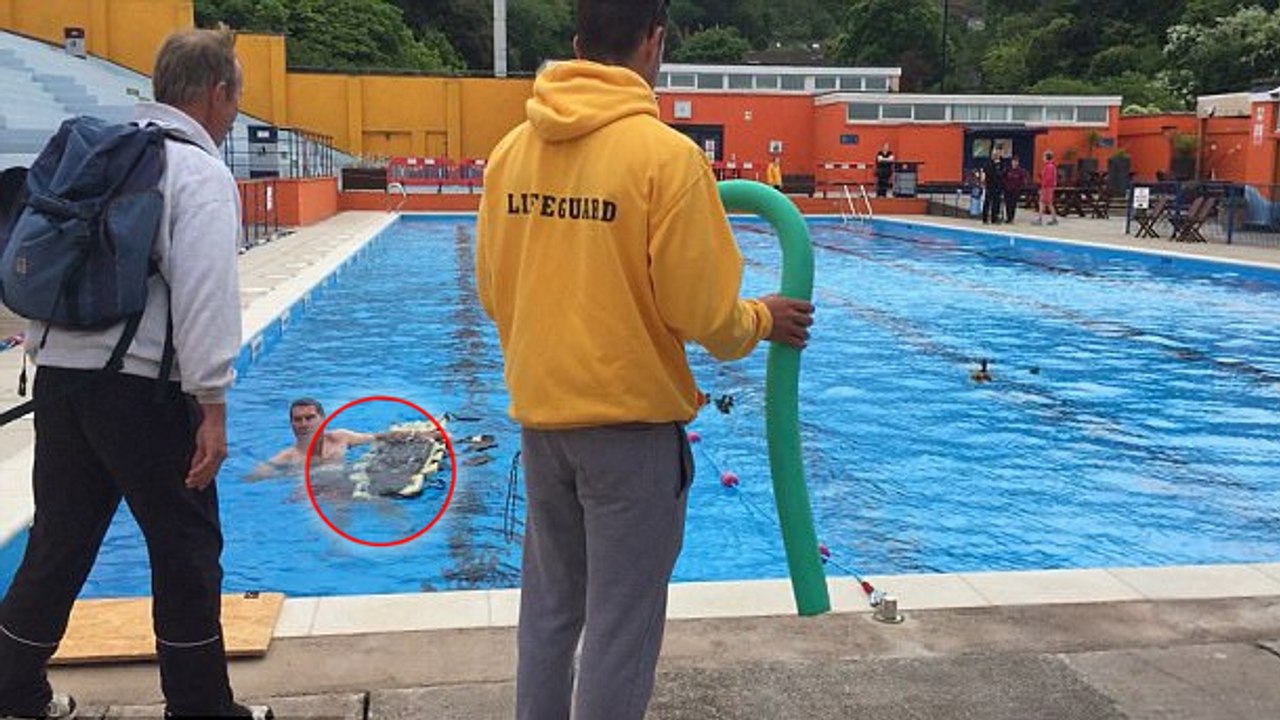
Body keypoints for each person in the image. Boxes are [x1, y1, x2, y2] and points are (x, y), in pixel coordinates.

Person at [474, 1, 815, 717]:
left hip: (543, 425)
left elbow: (494, 293)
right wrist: (761, 319)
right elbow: (708, 319)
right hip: (629, 437)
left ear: (575, 44)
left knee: (549, 615)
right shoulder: (666, 158)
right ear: (655, 40)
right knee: (620, 632)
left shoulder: (512, 153)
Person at [0, 30, 273, 719]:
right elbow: (207, 294)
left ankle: (11, 688)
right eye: (236, 94)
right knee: (185, 549)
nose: (236, 110)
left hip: (60, 377)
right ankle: (202, 708)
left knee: (60, 542)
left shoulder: (104, 150)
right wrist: (212, 402)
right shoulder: (196, 170)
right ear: (215, 93)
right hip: (143, 387)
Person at [248, 398, 443, 479]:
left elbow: (381, 437)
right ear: (291, 424)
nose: (304, 424)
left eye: (309, 418)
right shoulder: (287, 458)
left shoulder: (340, 438)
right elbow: (253, 478)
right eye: (298, 420)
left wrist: (424, 435)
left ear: (322, 420)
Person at [1034, 150, 1059, 226]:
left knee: (1043, 203)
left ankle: (1040, 219)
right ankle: (1052, 218)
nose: (1043, 158)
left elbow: (1047, 178)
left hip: (1047, 187)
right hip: (1049, 187)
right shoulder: (1051, 166)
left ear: (1046, 157)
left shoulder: (1049, 166)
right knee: (1048, 203)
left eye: (1043, 156)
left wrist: (1042, 187)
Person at [982, 148, 1005, 224]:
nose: (996, 155)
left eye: (998, 154)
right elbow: (986, 171)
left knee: (996, 202)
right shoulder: (988, 163)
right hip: (990, 185)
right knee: (987, 202)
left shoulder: (1001, 163)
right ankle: (985, 218)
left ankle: (994, 218)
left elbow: (1003, 173)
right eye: (995, 154)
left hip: (998, 186)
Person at [1003, 156, 1028, 223]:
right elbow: (1004, 178)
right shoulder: (1008, 169)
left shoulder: (1021, 171)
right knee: (1007, 204)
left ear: (1018, 163)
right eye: (1013, 161)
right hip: (1007, 189)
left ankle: (1011, 218)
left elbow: (1022, 180)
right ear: (1011, 162)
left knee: (1013, 204)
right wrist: (1005, 185)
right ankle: (1008, 217)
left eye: (1016, 162)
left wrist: (1019, 187)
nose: (1015, 163)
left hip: (1015, 190)